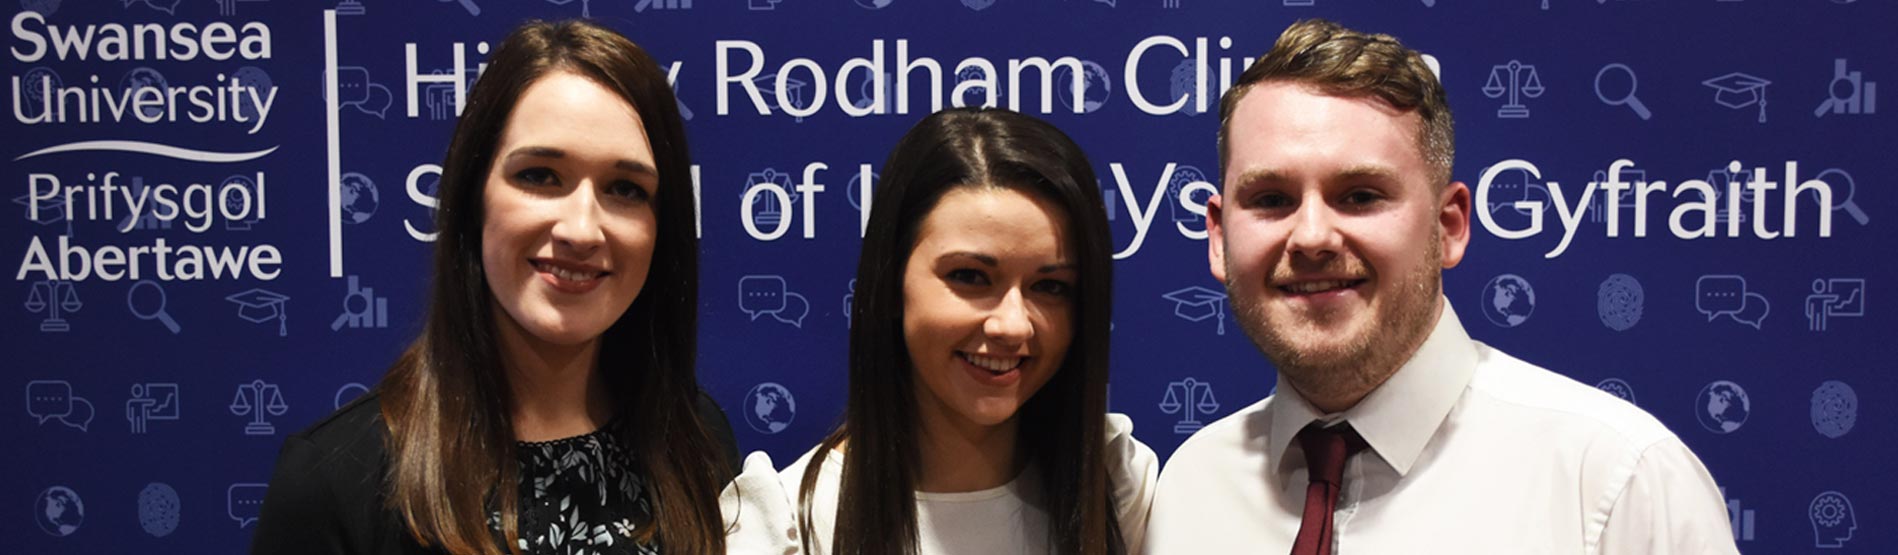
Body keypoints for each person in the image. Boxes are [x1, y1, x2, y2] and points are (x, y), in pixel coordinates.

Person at [1142, 19, 1739, 554]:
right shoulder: (1190, 486)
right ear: (1219, 238)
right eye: (1271, 200)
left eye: (1360, 196)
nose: (1312, 236)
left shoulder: (1614, 483)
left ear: (1449, 227)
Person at [251, 20, 737, 555]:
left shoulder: (695, 440)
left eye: (625, 188)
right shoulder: (335, 482)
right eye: (540, 176)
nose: (581, 228)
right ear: (473, 196)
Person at [733, 107, 1157, 555]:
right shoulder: (782, 524)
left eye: (1050, 286)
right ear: (892, 281)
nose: (1012, 325)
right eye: (970, 277)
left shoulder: (1118, 488)